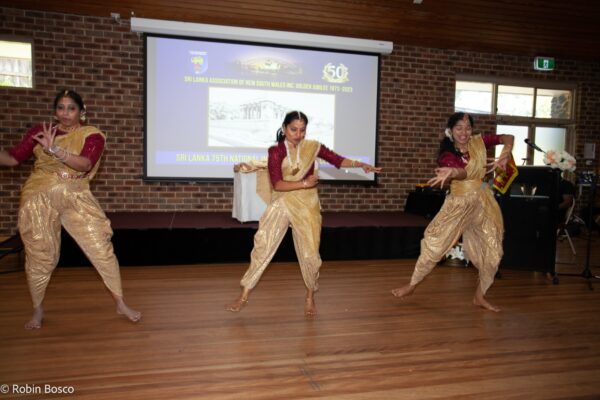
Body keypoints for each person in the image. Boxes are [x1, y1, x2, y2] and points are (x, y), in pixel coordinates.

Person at [0, 89, 141, 329]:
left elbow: (85, 164)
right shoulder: (40, 132)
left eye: (71, 108)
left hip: (76, 195)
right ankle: (37, 310)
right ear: (55, 111)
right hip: (39, 197)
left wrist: (54, 149)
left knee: (100, 247)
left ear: (81, 112)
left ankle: (120, 302)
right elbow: (13, 159)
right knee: (41, 255)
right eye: (61, 108)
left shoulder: (93, 135)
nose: (65, 113)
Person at [226, 111, 381, 316]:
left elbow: (336, 159)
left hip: (307, 205)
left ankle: (310, 297)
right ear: (284, 128)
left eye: (302, 130)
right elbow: (278, 184)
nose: (298, 134)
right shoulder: (275, 151)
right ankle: (243, 295)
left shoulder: (312, 147)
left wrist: (360, 165)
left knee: (310, 254)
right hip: (282, 201)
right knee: (263, 244)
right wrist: (304, 183)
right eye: (293, 129)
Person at [392, 112, 514, 312]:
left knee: (494, 250)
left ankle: (479, 296)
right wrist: (453, 172)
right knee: (435, 243)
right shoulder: (446, 155)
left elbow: (508, 137)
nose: (464, 132)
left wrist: (505, 153)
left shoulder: (479, 142)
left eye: (467, 128)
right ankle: (412, 284)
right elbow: (462, 172)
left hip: (484, 202)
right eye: (459, 128)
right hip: (458, 204)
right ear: (450, 131)